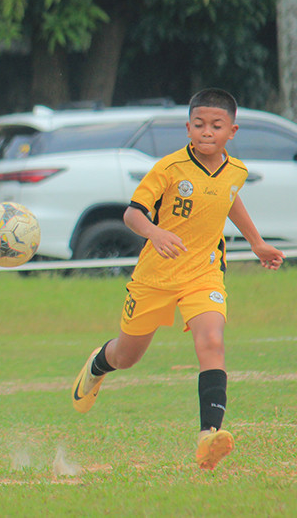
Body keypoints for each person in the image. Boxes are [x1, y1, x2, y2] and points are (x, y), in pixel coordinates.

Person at [70, 88, 284, 470]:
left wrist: (257, 243)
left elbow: (229, 197)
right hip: (156, 275)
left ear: (231, 131)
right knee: (127, 356)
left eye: (216, 126)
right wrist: (156, 233)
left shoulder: (236, 171)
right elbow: (132, 215)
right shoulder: (168, 169)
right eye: (199, 124)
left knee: (212, 341)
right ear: (188, 128)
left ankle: (208, 436)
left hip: (203, 273)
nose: (206, 132)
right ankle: (98, 364)